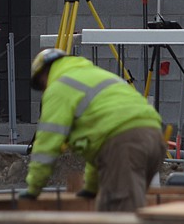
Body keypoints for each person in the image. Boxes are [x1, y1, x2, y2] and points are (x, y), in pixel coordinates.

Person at [19, 48, 165, 211]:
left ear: (44, 74)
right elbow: (100, 148)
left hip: (125, 145)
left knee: (119, 220)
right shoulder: (96, 75)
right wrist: (91, 187)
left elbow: (46, 145)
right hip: (154, 139)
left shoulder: (60, 87)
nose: (44, 89)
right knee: (116, 210)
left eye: (41, 85)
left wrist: (33, 189)